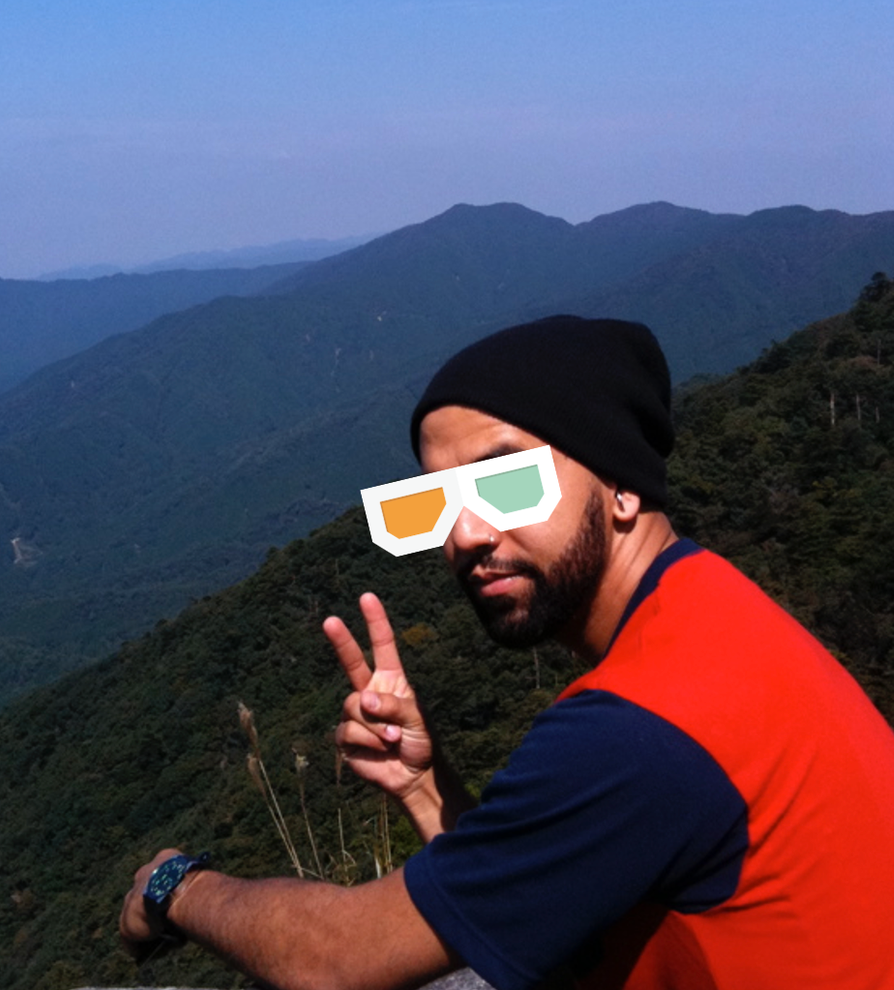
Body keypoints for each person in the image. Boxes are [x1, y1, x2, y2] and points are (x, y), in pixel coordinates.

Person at [121, 316, 894, 988]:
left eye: (506, 480)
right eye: (435, 501)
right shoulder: (714, 613)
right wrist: (424, 785)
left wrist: (175, 885)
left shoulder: (642, 724)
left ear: (622, 482)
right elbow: (537, 910)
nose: (465, 533)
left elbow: (336, 959)